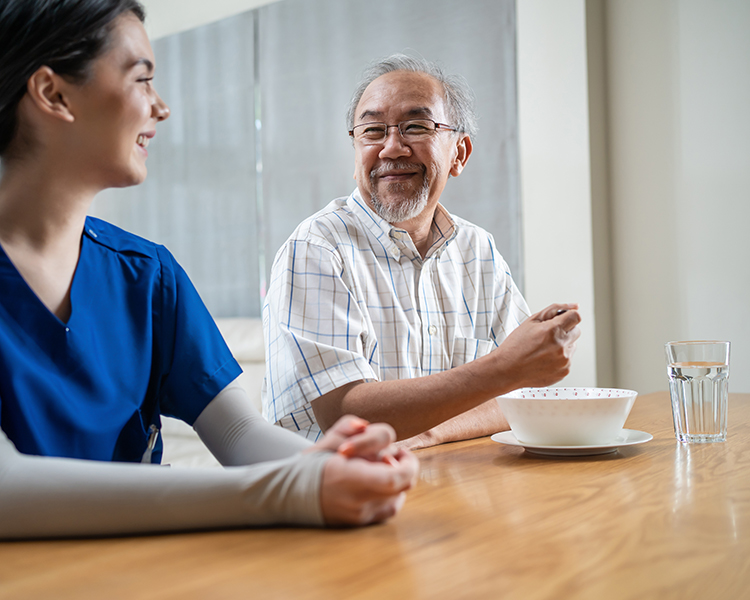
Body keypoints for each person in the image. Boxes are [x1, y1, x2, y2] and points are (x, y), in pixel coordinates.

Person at [0, 0, 418, 539]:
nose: (161, 108)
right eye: (142, 79)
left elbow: (239, 433)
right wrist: (286, 491)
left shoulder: (147, 275)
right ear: (54, 94)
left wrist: (328, 463)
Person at [263, 55, 582, 448]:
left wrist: (433, 431)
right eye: (372, 130)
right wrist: (504, 369)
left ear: (459, 154)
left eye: (416, 126)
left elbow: (519, 397)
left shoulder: (477, 250)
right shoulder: (316, 249)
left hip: (451, 484)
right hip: (333, 498)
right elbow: (345, 415)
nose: (391, 148)